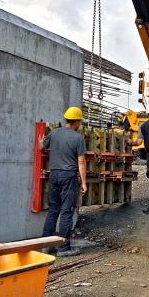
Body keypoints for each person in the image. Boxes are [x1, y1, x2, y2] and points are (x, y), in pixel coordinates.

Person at [40, 106, 87, 257]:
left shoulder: (54, 133)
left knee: (53, 210)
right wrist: (84, 182)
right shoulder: (78, 138)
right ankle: (63, 247)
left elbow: (42, 147)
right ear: (77, 121)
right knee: (66, 211)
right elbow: (81, 162)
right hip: (68, 176)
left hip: (54, 175)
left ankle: (47, 245)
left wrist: (41, 141)